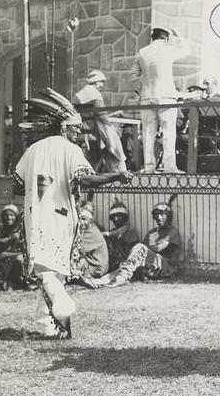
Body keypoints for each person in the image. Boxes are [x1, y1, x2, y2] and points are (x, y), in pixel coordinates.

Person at [14, 87, 134, 339]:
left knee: (46, 270)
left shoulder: (31, 151)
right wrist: (116, 174)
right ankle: (53, 319)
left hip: (35, 216)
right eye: (75, 128)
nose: (79, 132)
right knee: (51, 271)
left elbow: (16, 185)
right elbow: (85, 179)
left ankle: (52, 320)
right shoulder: (70, 150)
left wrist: (42, 184)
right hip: (61, 218)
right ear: (62, 127)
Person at [131, 27, 189, 174]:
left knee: (148, 133)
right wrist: (179, 35)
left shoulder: (142, 52)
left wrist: (141, 92)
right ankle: (169, 167)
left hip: (147, 97)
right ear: (166, 39)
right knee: (168, 132)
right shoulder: (168, 50)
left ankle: (149, 167)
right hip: (166, 96)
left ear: (152, 38)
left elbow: (134, 76)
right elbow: (186, 50)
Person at [88, 197, 182, 287]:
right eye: (156, 215)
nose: (159, 217)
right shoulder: (152, 232)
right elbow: (142, 252)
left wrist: (142, 247)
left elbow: (158, 248)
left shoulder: (172, 232)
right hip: (150, 265)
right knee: (130, 262)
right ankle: (102, 281)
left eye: (162, 214)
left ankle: (122, 277)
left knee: (138, 249)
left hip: (165, 266)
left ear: (168, 216)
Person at [74, 69, 128, 172]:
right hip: (94, 130)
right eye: (101, 82)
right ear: (96, 81)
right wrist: (110, 123)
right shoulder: (95, 94)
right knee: (114, 135)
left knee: (111, 135)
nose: (102, 85)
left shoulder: (78, 95)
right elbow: (101, 115)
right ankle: (118, 167)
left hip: (83, 128)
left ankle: (110, 166)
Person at [0, 204, 27, 290]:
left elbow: (25, 253)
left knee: (20, 259)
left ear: (16, 217)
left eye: (11, 215)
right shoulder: (4, 231)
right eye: (6, 215)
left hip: (20, 264)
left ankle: (17, 283)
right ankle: (6, 281)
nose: (8, 218)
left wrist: (7, 254)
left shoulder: (20, 232)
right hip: (7, 264)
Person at [72, 201, 109, 283]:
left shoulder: (91, 233)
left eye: (85, 219)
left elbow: (77, 248)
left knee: (75, 260)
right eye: (81, 219)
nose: (82, 222)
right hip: (98, 266)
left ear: (90, 221)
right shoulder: (91, 229)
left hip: (96, 269)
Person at [102, 197, 140, 270]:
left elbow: (132, 253)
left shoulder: (130, 230)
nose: (116, 219)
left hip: (128, 264)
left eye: (118, 216)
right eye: (113, 217)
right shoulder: (111, 232)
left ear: (124, 217)